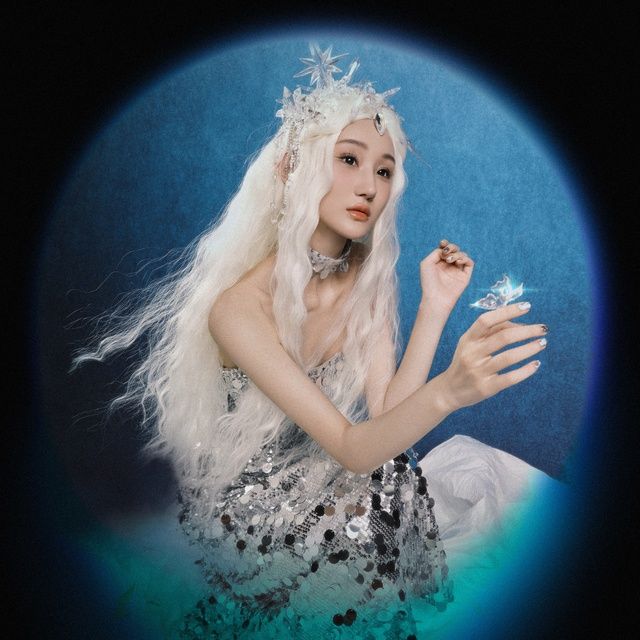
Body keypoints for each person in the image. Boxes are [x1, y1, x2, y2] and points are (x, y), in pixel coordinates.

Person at [73, 45, 547, 639]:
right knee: (369, 499)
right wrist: (451, 389)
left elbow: (388, 415)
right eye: (348, 159)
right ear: (291, 168)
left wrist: (435, 306)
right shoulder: (240, 309)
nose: (368, 186)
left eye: (383, 170)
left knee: (395, 476)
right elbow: (354, 449)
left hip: (330, 475)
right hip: (253, 511)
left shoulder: (367, 278)